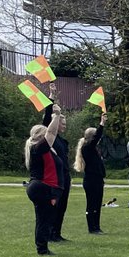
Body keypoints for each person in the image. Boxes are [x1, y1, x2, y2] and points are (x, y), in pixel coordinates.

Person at [24, 103, 63, 256]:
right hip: (42, 187)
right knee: (44, 220)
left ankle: (43, 247)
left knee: (44, 219)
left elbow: (51, 134)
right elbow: (52, 133)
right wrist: (57, 116)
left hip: (42, 187)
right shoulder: (38, 147)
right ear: (41, 136)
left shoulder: (40, 149)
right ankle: (42, 249)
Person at [42, 93, 71, 241]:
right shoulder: (50, 138)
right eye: (62, 123)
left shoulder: (62, 140)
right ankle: (51, 233)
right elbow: (47, 118)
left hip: (65, 175)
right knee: (55, 205)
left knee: (63, 206)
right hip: (55, 176)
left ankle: (57, 233)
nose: (64, 126)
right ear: (56, 123)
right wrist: (51, 98)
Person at [74, 111, 107, 234]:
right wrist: (102, 124)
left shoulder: (93, 149)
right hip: (91, 180)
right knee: (91, 204)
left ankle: (97, 226)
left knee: (98, 204)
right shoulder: (87, 148)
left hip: (98, 179)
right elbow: (97, 137)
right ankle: (91, 227)